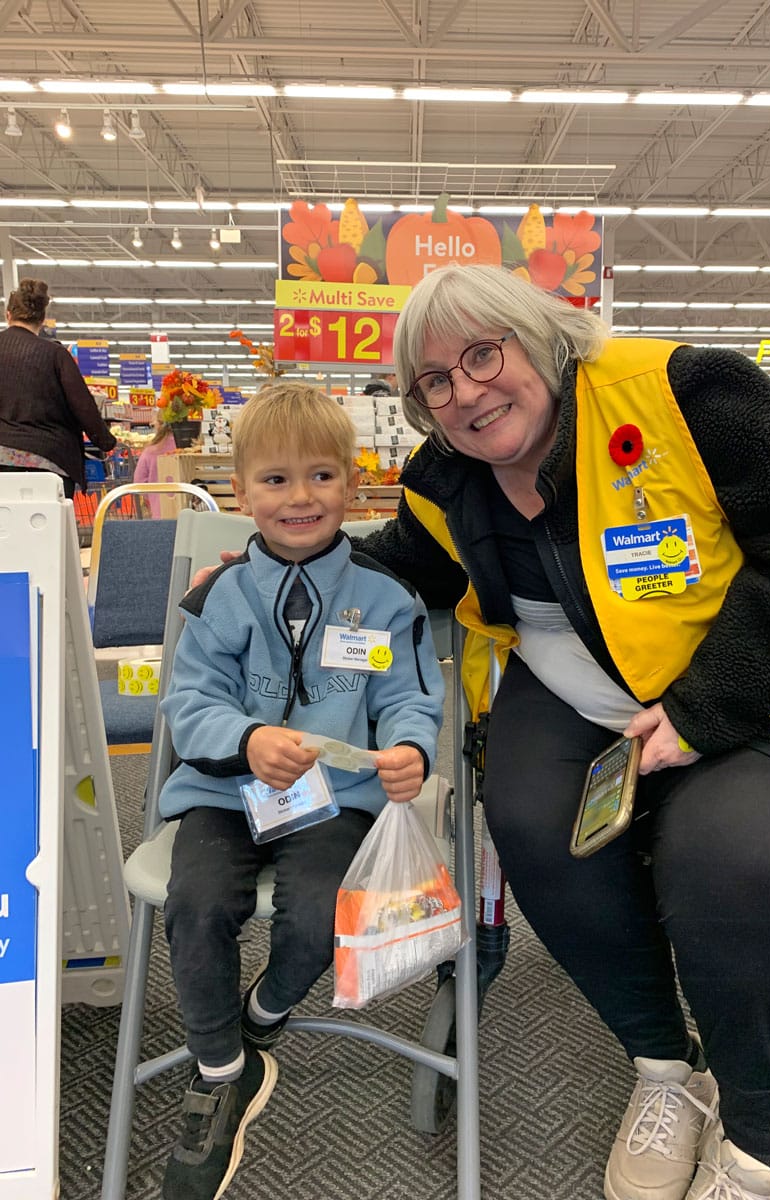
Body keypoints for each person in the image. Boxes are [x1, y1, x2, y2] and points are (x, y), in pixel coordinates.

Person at [197, 265, 770, 1200]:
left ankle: (755, 1142)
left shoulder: (685, 393)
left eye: (485, 353)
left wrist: (703, 708)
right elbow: (405, 568)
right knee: (529, 819)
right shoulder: (450, 483)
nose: (467, 390)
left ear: (543, 338)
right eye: (436, 381)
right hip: (572, 697)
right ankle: (663, 1066)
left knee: (738, 858)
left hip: (750, 691)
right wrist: (270, 572)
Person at [158, 381, 445, 1200]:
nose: (300, 498)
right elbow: (188, 704)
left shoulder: (386, 601)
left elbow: (407, 699)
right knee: (197, 900)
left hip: (336, 799)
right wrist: (244, 739)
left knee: (322, 913)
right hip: (223, 793)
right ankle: (221, 1068)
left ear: (353, 487)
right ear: (240, 491)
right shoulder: (218, 599)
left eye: (322, 476)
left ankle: (264, 1015)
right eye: (276, 480)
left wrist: (407, 750)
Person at [0, 277, 116, 498]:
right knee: (50, 528)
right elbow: (83, 406)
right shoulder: (55, 354)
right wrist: (105, 441)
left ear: (8, 315)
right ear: (42, 320)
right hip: (49, 460)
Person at [132, 417, 176, 517]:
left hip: (160, 512)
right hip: (191, 514)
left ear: (158, 425)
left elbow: (139, 482)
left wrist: (153, 497)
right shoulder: (189, 448)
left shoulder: (150, 451)